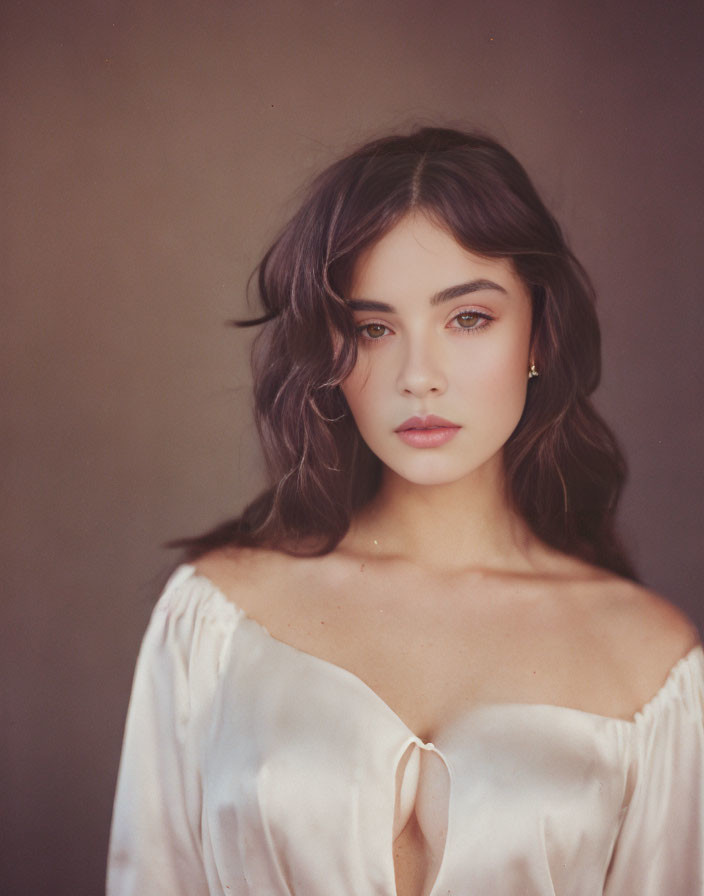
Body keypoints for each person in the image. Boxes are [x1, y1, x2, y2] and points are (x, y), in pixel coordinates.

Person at [106, 127, 704, 896]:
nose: (419, 377)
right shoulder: (215, 621)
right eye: (374, 328)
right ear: (332, 350)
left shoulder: (652, 666)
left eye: (468, 319)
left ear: (539, 335)